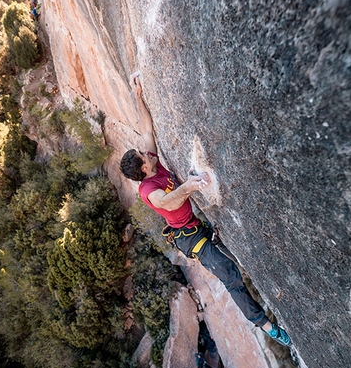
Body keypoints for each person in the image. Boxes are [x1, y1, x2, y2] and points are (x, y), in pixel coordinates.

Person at [120, 72, 291, 346]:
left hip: (194, 225)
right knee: (229, 274)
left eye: (144, 153)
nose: (148, 153)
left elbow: (147, 130)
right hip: (191, 238)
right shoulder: (149, 191)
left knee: (235, 258)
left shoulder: (152, 162)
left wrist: (137, 95)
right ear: (143, 169)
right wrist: (189, 186)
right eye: (144, 157)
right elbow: (168, 202)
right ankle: (267, 326)